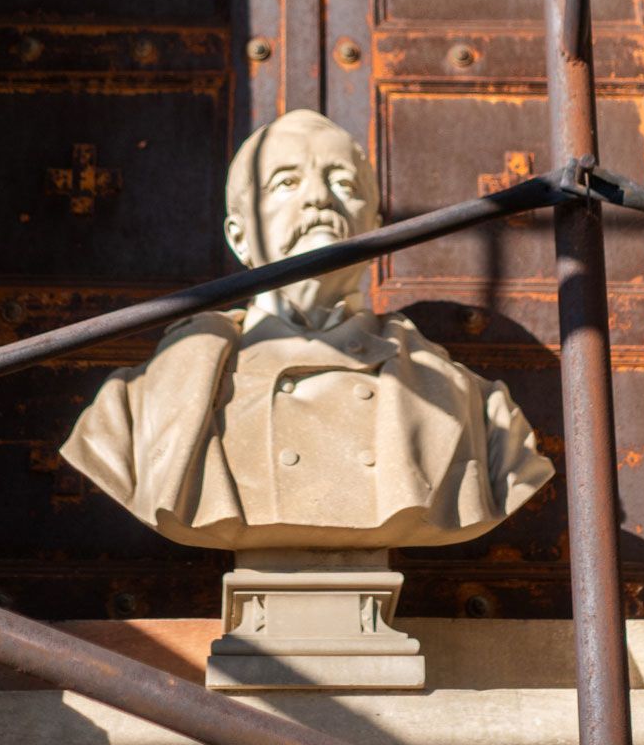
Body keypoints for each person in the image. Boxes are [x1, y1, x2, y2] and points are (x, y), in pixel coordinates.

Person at [61, 109, 553, 549]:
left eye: (344, 184)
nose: (320, 199)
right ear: (239, 235)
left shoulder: (473, 408)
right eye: (286, 183)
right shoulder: (142, 403)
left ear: (376, 229)